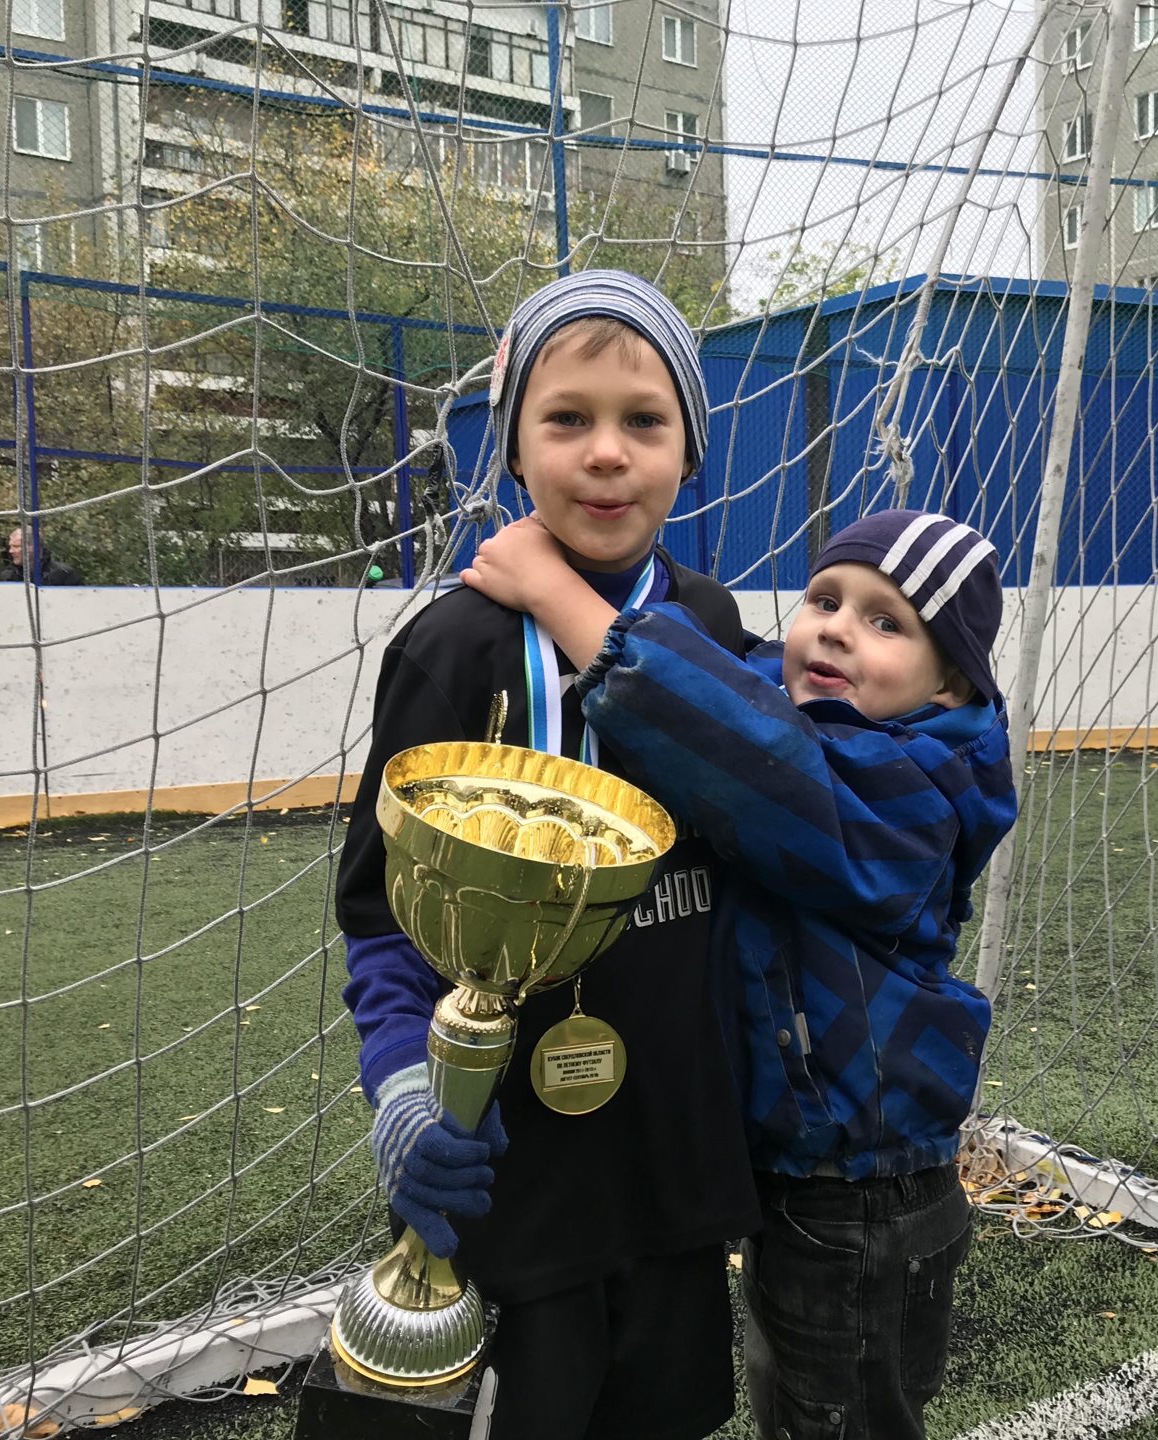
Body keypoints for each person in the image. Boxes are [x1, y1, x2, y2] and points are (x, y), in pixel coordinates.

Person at [464, 507, 1018, 1440]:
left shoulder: (918, 786)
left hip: (864, 1200)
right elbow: (746, 686)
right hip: (808, 1184)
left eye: (889, 623)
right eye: (826, 599)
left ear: (949, 681)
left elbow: (750, 754)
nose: (838, 626)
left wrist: (559, 595)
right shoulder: (826, 714)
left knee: (836, 1421)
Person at [336, 269, 759, 1440]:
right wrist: (409, 1098)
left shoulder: (716, 627)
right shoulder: (455, 645)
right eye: (567, 418)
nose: (606, 453)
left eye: (644, 421)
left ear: (690, 451)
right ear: (515, 449)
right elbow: (381, 913)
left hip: (673, 1161)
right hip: (509, 1168)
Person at [0, 526, 83, 585]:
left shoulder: (64, 574)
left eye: (16, 546)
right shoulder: (7, 576)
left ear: (34, 547)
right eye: (10, 546)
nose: (11, 551)